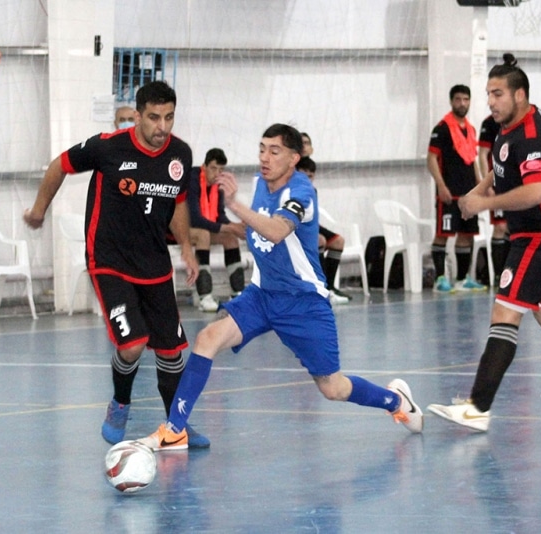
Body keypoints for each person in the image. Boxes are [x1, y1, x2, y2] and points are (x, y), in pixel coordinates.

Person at [138, 123, 423, 451]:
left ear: (293, 159)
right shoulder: (261, 182)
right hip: (262, 295)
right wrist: (228, 228)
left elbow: (275, 230)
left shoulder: (302, 192)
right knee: (206, 338)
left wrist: (235, 205)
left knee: (333, 388)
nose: (265, 157)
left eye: (274, 151)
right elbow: (256, 231)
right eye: (262, 149)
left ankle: (394, 400)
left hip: (303, 303)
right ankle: (175, 429)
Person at [427, 54, 541, 432]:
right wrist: (475, 194)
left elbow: (535, 191)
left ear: (520, 94)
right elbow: (500, 172)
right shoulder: (515, 124)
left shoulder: (529, 135)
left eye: (498, 93)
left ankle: (477, 408)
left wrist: (486, 204)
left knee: (505, 313)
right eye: (488, 94)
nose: (490, 101)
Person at [23, 81, 211, 448]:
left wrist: (187, 247)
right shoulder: (108, 147)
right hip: (109, 259)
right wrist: (38, 210)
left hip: (155, 263)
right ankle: (120, 403)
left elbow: (177, 203)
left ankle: (176, 428)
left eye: (169, 117)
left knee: (172, 352)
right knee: (132, 345)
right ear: (138, 115)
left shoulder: (181, 155)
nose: (162, 126)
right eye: (154, 117)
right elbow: (58, 165)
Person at [427, 84, 487, 293]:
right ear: (452, 101)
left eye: (466, 99)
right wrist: (441, 186)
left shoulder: (470, 129)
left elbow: (473, 160)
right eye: (458, 99)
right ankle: (440, 279)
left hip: (468, 192)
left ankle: (462, 279)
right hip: (449, 192)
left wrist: (481, 186)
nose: (462, 103)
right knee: (443, 233)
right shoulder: (442, 128)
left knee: (466, 234)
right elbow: (431, 159)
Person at [187, 148, 247, 312]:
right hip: (176, 229)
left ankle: (238, 294)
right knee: (204, 235)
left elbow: (220, 217)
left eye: (221, 170)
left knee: (230, 238)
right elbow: (194, 218)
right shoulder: (191, 180)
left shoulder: (217, 187)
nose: (217, 173)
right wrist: (231, 227)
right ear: (204, 166)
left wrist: (235, 227)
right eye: (213, 168)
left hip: (198, 229)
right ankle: (204, 296)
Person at [296, 155, 352, 305]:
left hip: (310, 224)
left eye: (310, 176)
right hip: (294, 226)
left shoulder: (312, 190)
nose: (307, 179)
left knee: (338, 241)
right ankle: (321, 288)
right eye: (304, 175)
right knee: (319, 240)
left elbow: (312, 217)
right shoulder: (291, 190)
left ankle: (330, 287)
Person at [478, 114, 510, 285]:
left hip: (517, 185)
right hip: (498, 184)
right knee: (500, 226)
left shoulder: (522, 120)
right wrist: (486, 185)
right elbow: (482, 155)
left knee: (515, 226)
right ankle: (499, 274)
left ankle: (514, 272)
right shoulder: (490, 123)